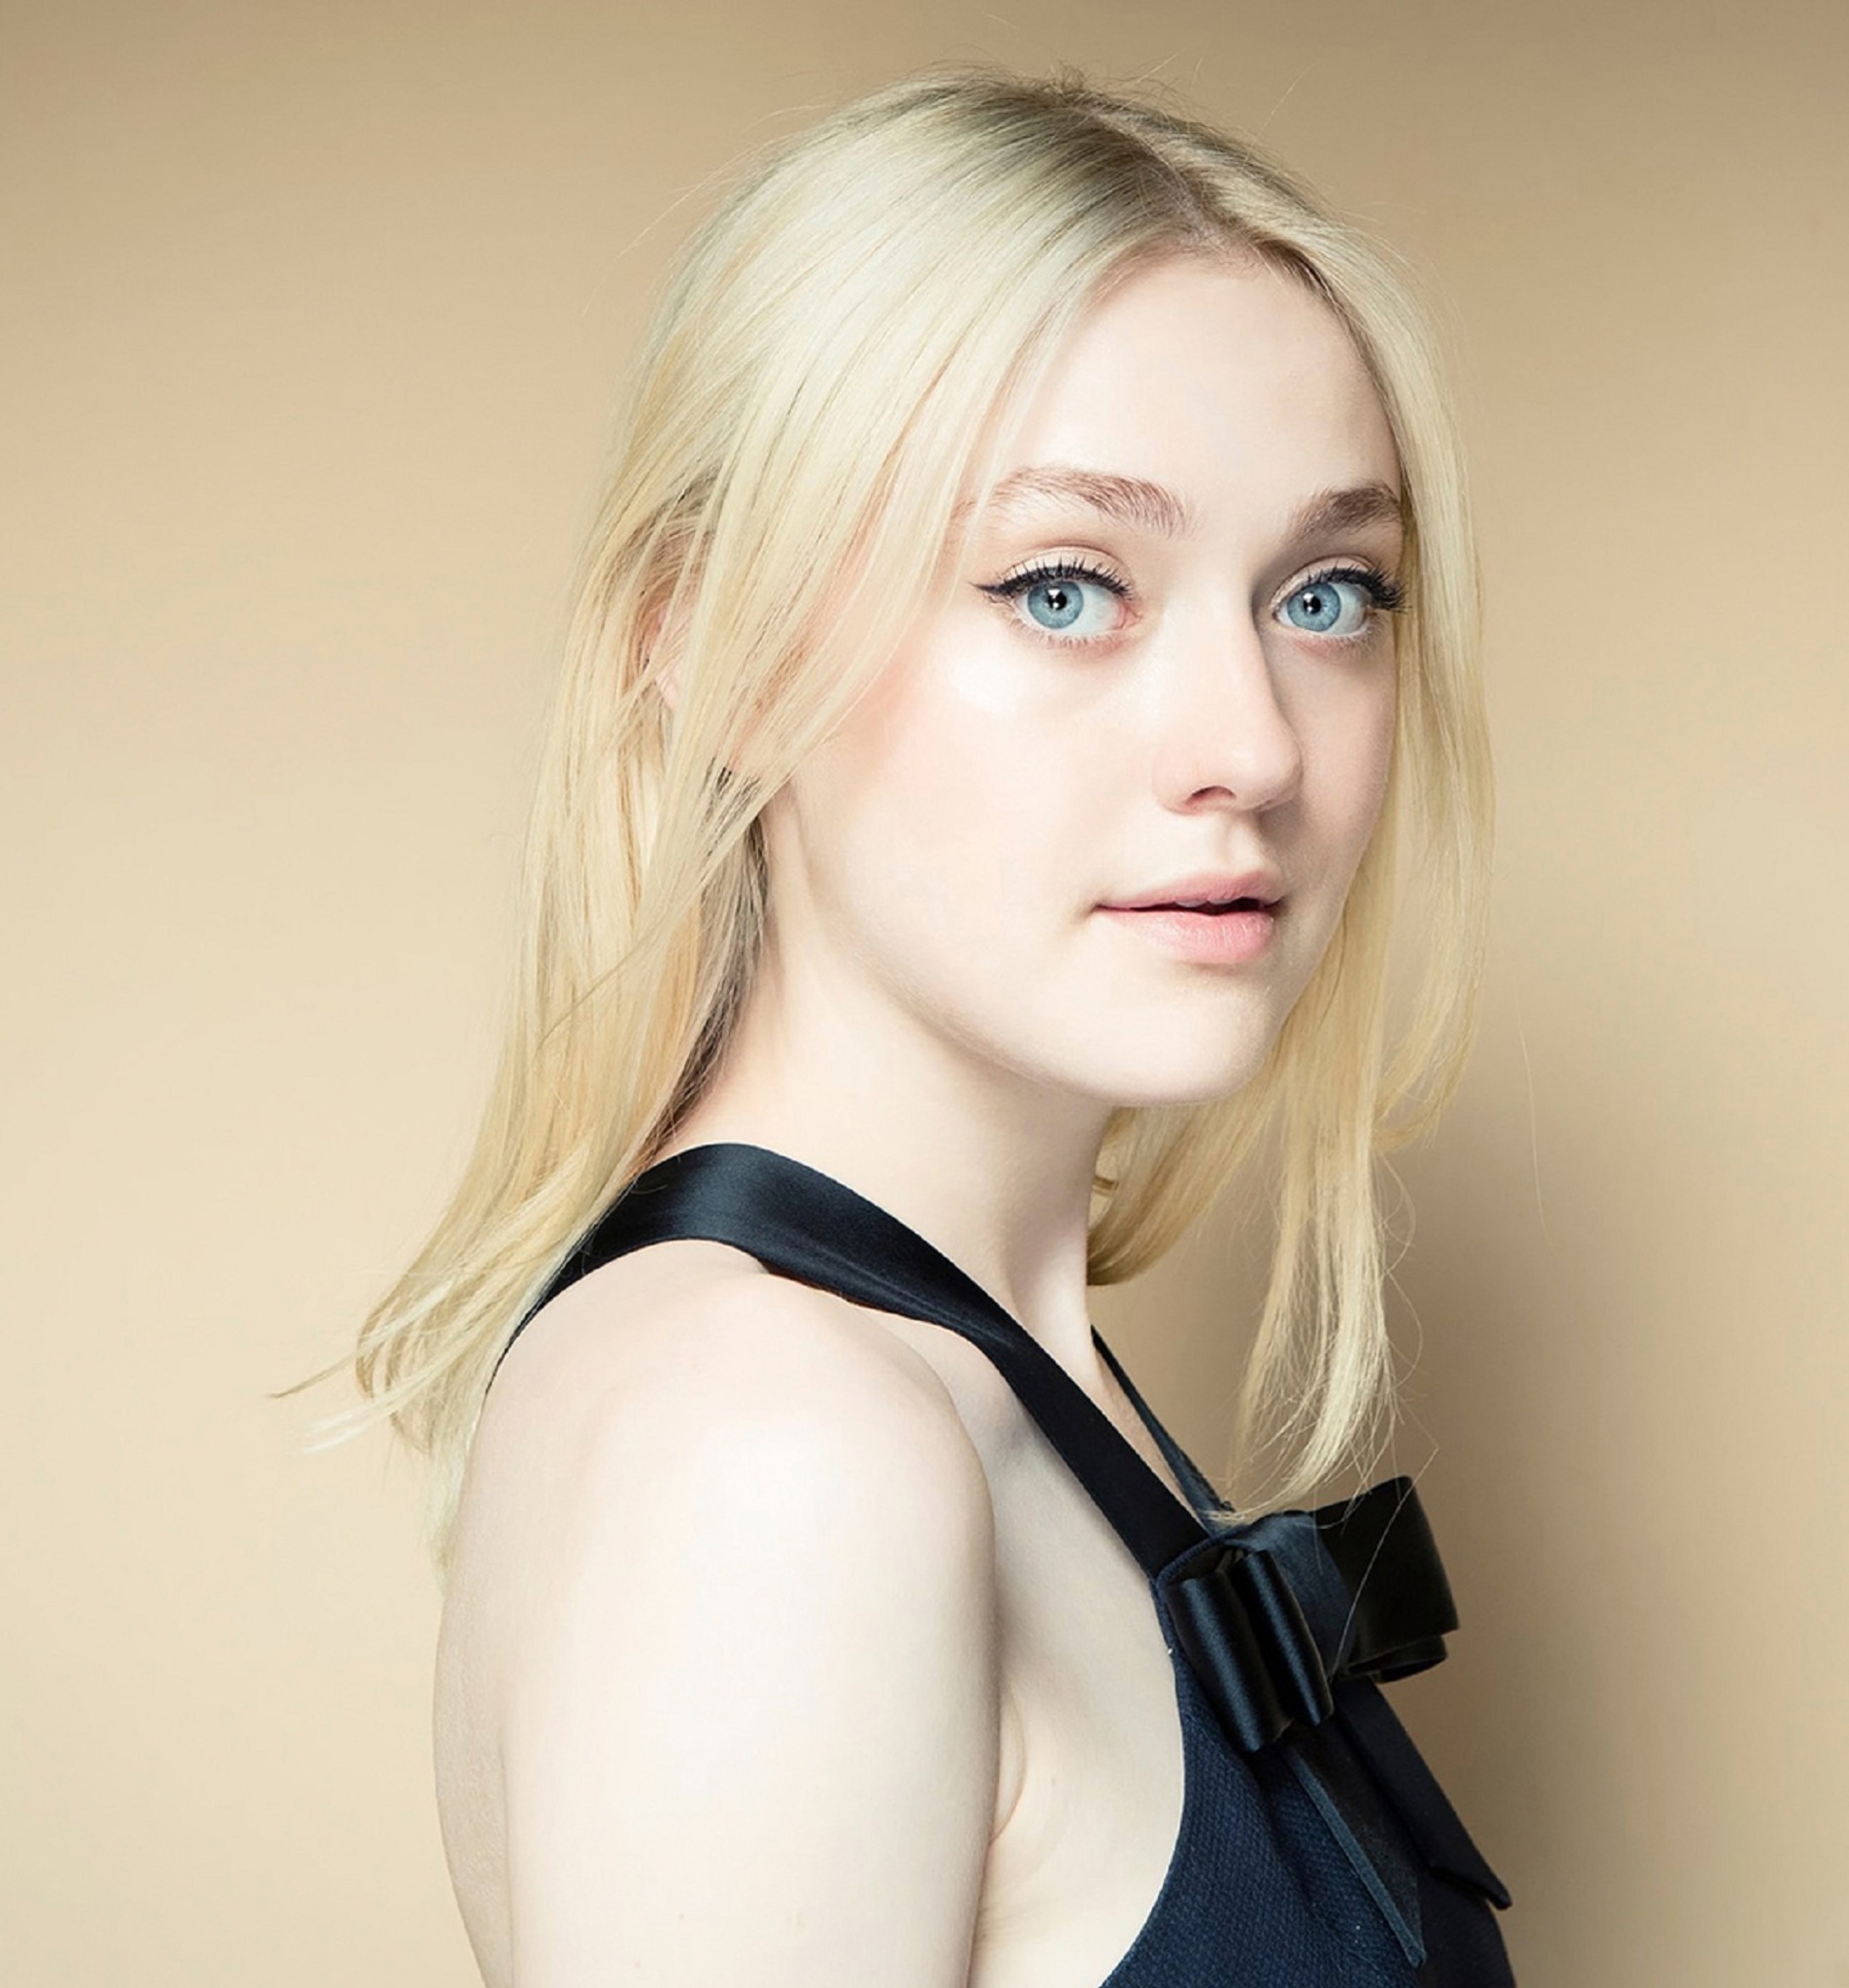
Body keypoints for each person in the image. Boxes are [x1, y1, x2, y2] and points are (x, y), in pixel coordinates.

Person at [352, 63, 1513, 1987]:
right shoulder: (778, 1451)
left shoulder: (961, 1383)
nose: (1250, 748)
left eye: (1328, 593)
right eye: (1064, 587)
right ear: (709, 645)